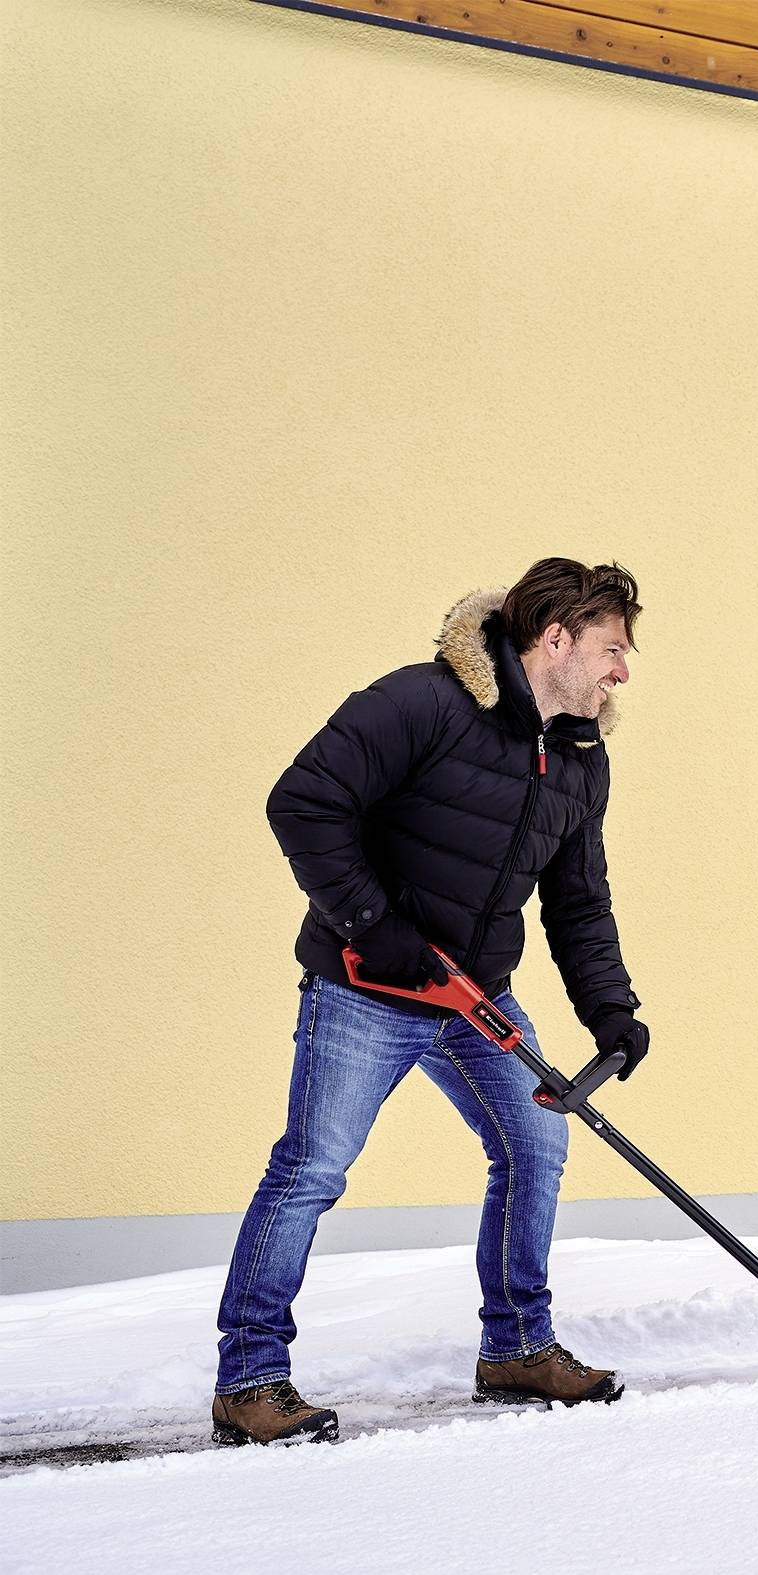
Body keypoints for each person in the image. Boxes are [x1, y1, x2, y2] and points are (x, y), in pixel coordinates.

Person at [211, 560, 652, 1446]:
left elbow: (577, 901)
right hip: (366, 987)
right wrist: (375, 926)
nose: (622, 672)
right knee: (312, 1168)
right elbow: (303, 801)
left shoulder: (576, 758)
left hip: (473, 995)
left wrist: (611, 1009)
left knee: (535, 1143)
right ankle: (249, 1377)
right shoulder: (424, 702)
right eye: (611, 648)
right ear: (555, 638)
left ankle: (517, 1347)